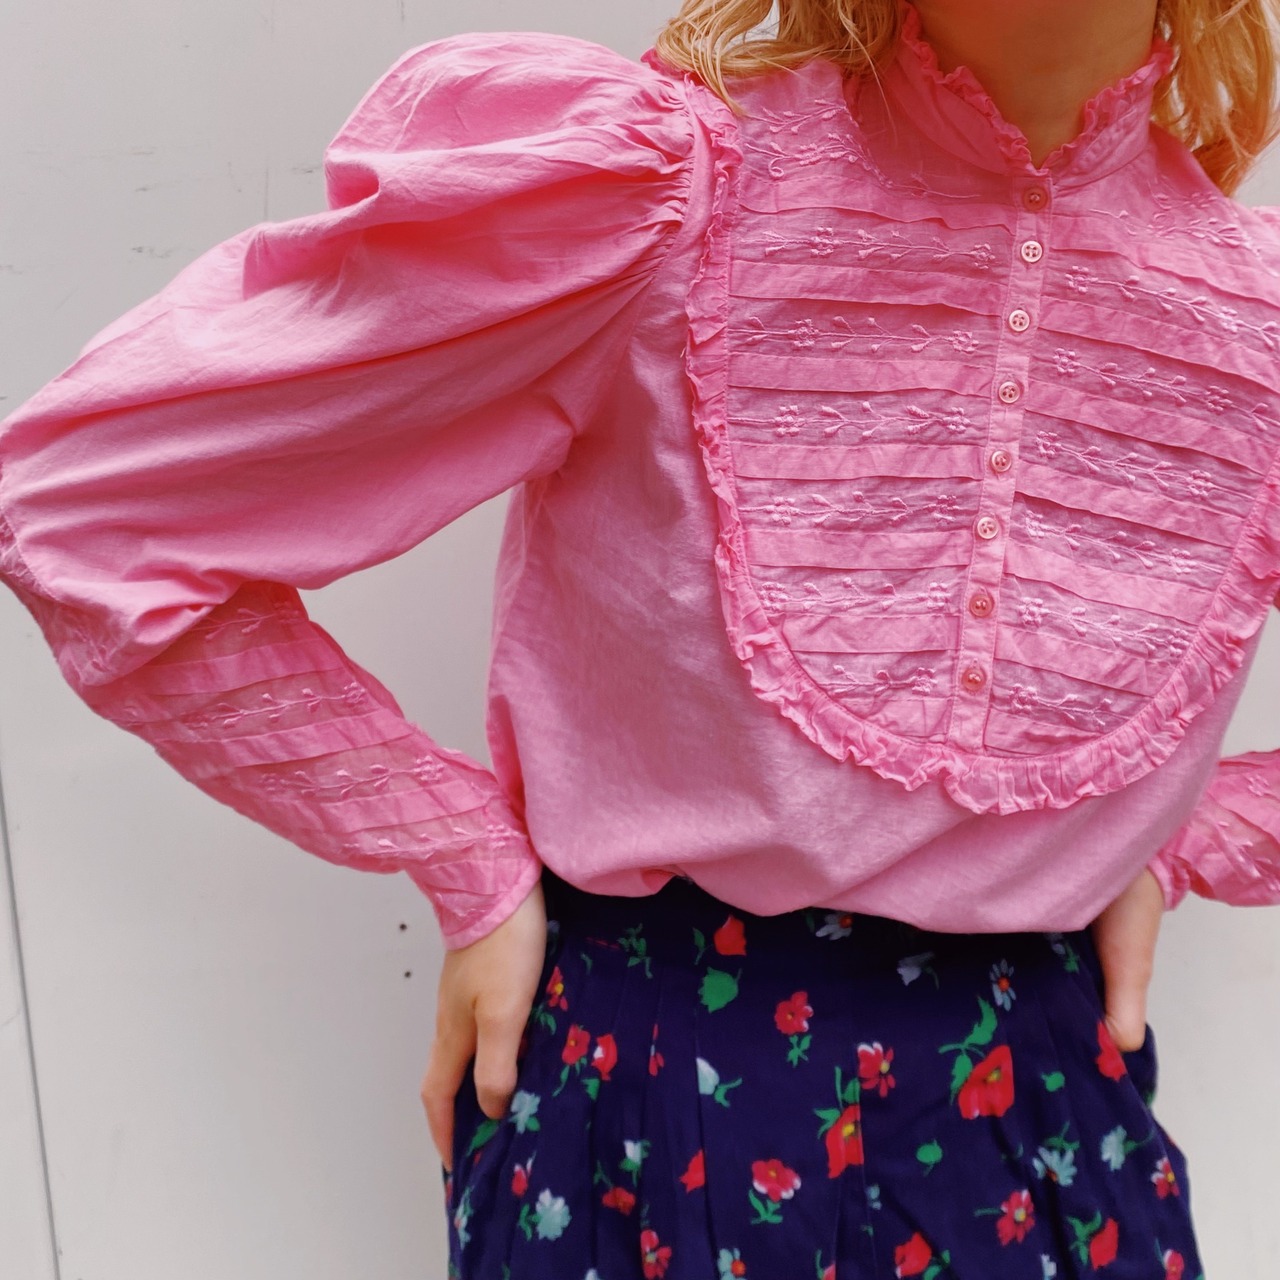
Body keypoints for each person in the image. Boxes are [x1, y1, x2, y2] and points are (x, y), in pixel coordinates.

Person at [2, 0, 1279, 1274]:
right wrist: (457, 849)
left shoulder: (1251, 319)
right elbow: (89, 511)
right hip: (644, 1110)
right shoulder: (666, 196)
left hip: (1039, 1126)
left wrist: (1177, 837)